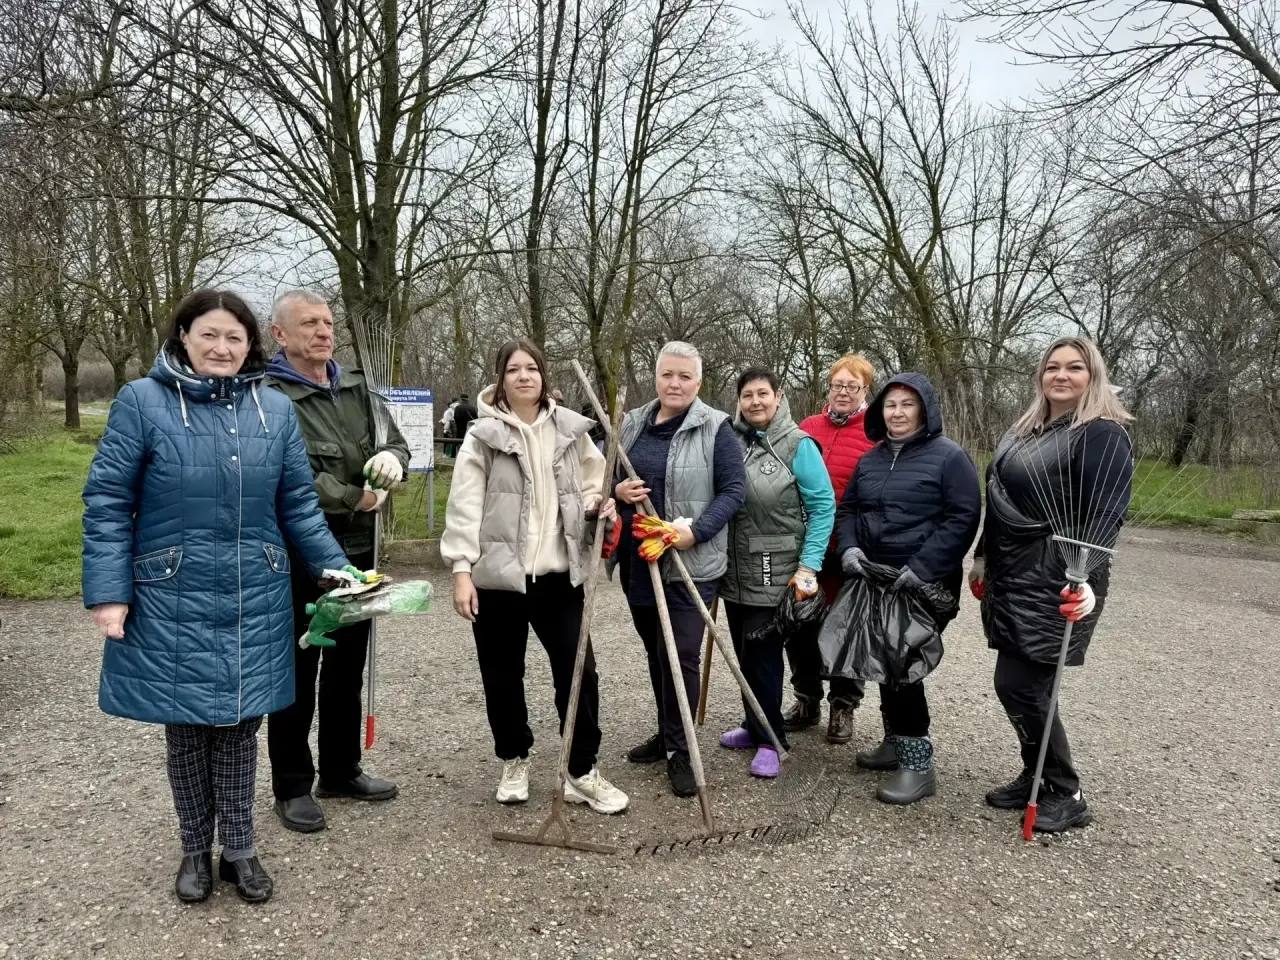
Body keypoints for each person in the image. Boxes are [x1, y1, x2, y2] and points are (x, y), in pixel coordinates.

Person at [83, 288, 351, 905]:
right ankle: (193, 851)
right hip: (170, 593)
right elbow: (107, 503)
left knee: (237, 724)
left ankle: (240, 849)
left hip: (252, 592)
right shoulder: (142, 403)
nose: (222, 348)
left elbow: (299, 507)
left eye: (235, 337)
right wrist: (109, 592)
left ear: (251, 345)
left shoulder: (274, 411)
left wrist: (338, 570)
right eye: (209, 335)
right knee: (186, 730)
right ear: (183, 337)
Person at [441, 338, 630, 813]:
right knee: (502, 675)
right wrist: (461, 572)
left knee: (579, 672)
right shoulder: (482, 436)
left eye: (532, 368)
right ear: (500, 379)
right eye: (513, 369)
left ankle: (580, 770)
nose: (524, 376)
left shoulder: (570, 429)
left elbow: (591, 481)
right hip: (499, 580)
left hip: (558, 577)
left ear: (544, 376)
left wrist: (596, 502)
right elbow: (463, 506)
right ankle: (514, 758)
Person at [969, 336, 1133, 833]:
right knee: (1025, 685)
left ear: (1093, 376)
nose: (1061, 375)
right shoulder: (1028, 429)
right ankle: (1035, 774)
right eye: (1052, 367)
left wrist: (1086, 580)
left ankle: (1066, 789)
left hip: (1060, 574)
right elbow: (996, 495)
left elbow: (1107, 511)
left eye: (1075, 367)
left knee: (1021, 684)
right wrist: (981, 555)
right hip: (1012, 570)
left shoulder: (1102, 433)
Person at [264, 290, 410, 834]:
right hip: (298, 556)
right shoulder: (270, 396)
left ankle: (342, 769)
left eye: (328, 323)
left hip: (359, 552)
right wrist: (356, 497)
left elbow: (398, 442)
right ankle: (293, 786)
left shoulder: (358, 388)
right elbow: (285, 475)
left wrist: (390, 461)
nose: (324, 332)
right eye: (310, 324)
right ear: (280, 334)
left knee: (348, 670)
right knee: (297, 673)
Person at [835, 373, 980, 804]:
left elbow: (963, 518)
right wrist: (850, 548)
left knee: (903, 663)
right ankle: (895, 744)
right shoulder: (872, 458)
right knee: (883, 659)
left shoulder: (948, 457)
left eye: (906, 405)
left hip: (922, 584)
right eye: (890, 405)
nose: (897, 413)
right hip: (875, 577)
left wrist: (922, 568)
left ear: (924, 410)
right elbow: (850, 508)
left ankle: (918, 764)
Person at [615, 341, 747, 797]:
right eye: (667, 374)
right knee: (657, 652)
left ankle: (683, 750)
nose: (675, 383)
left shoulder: (716, 427)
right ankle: (668, 735)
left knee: (682, 656)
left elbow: (733, 490)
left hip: (691, 563)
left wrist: (696, 533)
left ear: (698, 383)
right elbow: (604, 475)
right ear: (656, 377)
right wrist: (618, 489)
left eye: (684, 377)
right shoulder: (631, 422)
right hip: (640, 562)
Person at [717, 368, 835, 778]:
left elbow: (823, 508)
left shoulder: (798, 444)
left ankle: (772, 740)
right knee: (744, 652)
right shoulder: (729, 439)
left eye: (762, 394)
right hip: (732, 568)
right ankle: (753, 725)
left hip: (775, 565)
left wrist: (809, 566)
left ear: (778, 396)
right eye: (747, 395)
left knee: (763, 655)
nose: (755, 402)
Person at [789, 354, 878, 746]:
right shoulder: (807, 428)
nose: (843, 392)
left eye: (852, 387)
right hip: (807, 547)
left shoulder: (875, 434)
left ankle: (844, 704)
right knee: (801, 623)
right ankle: (807, 698)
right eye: (837, 385)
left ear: (865, 391)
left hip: (850, 547)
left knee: (846, 627)